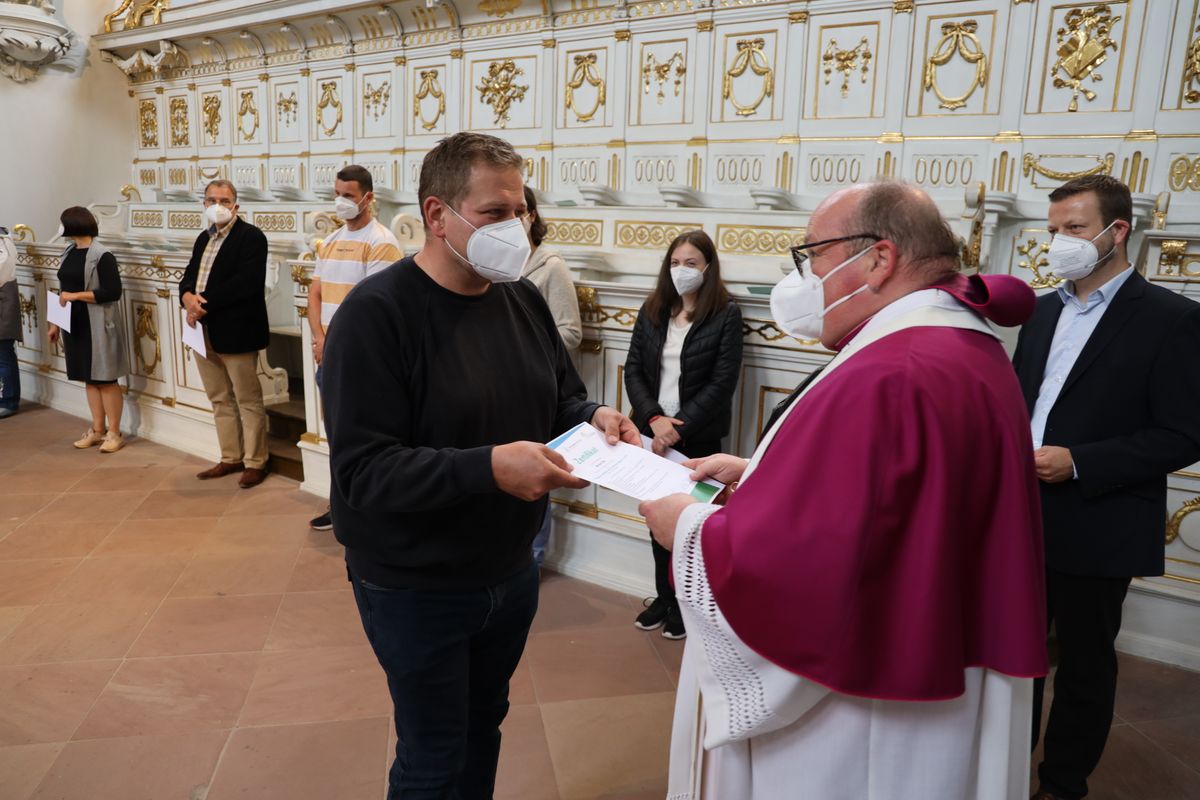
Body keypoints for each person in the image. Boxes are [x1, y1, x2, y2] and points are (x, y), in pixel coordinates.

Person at [640, 180, 1048, 800]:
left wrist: (688, 530)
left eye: (812, 256)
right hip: (937, 646)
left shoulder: (895, 369)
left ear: (879, 259)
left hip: (864, 711)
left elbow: (816, 561)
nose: (804, 279)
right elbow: (899, 494)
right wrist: (762, 474)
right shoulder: (954, 338)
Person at [321, 131, 639, 800]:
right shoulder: (376, 317)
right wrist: (489, 469)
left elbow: (558, 398)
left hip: (509, 570)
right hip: (416, 584)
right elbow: (363, 475)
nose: (516, 227)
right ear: (438, 215)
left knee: (484, 722)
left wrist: (593, 419)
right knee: (434, 751)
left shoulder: (520, 300)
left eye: (520, 210)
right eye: (495, 213)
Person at [1013, 175, 1200, 800]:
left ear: (1117, 231)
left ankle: (1062, 785)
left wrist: (1081, 462)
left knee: (1086, 665)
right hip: (1021, 513)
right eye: (1052, 230)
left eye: (1073, 229)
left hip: (1100, 516)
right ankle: (1006, 769)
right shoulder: (1040, 312)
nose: (1058, 243)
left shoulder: (1173, 320)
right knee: (1015, 658)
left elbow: (1182, 434)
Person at [624, 229, 742, 640]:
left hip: (699, 437)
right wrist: (654, 419)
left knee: (692, 523)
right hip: (651, 433)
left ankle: (686, 603)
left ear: (707, 268)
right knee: (657, 520)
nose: (682, 270)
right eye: (675, 263)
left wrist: (678, 428)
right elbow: (634, 369)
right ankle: (663, 597)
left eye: (691, 263)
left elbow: (723, 381)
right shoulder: (653, 309)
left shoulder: (725, 314)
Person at [307, 165, 403, 532]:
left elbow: (371, 307)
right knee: (336, 435)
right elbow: (315, 292)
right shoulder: (330, 241)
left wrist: (337, 346)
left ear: (368, 197)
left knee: (361, 437)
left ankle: (364, 510)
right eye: (338, 194)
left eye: (349, 195)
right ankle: (340, 505)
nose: (341, 201)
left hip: (359, 359)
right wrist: (320, 338)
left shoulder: (382, 242)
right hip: (328, 355)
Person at [179, 180, 271, 488]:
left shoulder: (251, 237)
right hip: (202, 329)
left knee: (248, 399)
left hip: (237, 329)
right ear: (204, 204)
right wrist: (186, 297)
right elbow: (189, 275)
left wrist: (202, 303)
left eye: (224, 199)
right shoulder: (202, 238)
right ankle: (230, 457)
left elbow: (246, 282)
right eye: (211, 199)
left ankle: (256, 461)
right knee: (219, 398)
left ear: (236, 206)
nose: (217, 204)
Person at [521, 185, 583, 567]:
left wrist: (522, 349)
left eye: (519, 211)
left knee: (536, 474)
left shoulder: (551, 266)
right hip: (500, 386)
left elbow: (571, 332)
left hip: (536, 386)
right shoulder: (494, 265)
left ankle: (535, 557)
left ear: (531, 215)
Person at [49, 207, 127, 452]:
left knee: (105, 378)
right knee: (89, 378)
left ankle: (114, 433)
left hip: (98, 324)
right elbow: (63, 291)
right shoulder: (69, 251)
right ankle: (97, 430)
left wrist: (76, 296)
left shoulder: (102, 255)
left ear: (73, 225)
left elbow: (112, 292)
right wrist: (55, 324)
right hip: (74, 323)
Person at [0, 228, 18, 419]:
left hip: (3, 304)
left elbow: (2, 272)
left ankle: (9, 401)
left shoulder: (2, 241)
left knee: (3, 353)